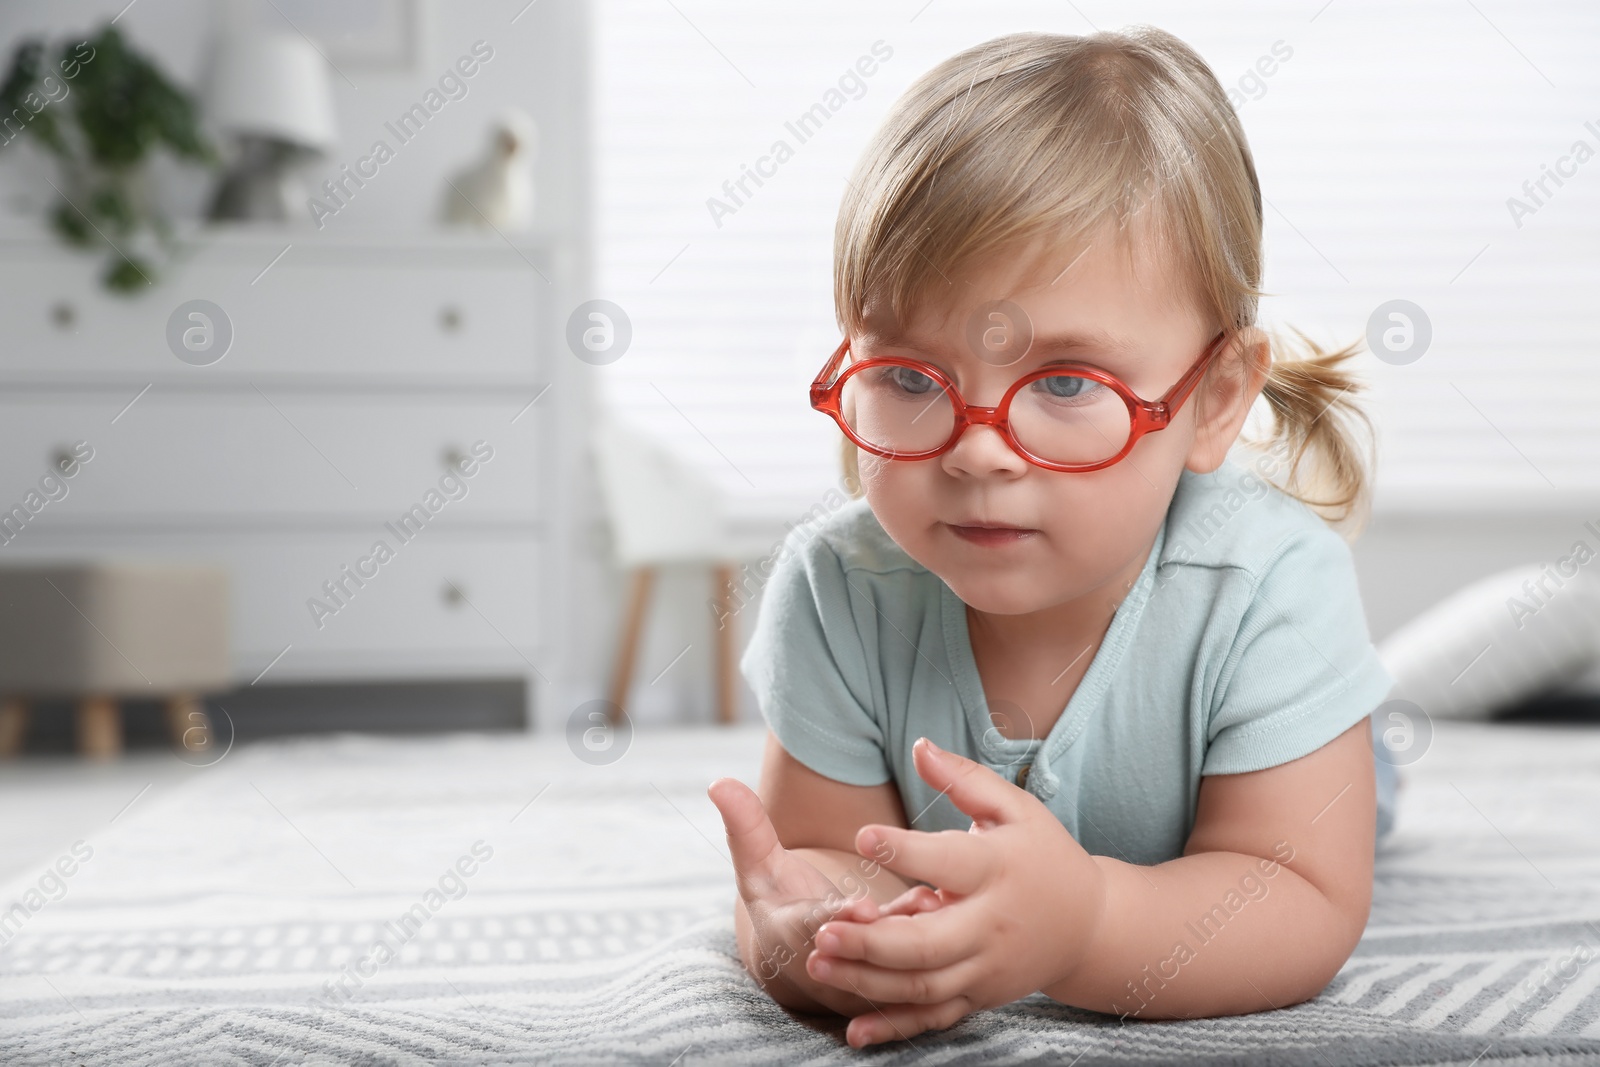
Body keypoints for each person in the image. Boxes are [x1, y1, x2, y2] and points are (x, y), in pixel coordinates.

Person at [707, 26, 1396, 1049]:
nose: (979, 452)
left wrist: (1087, 929)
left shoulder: (1269, 582)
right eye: (905, 376)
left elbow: (1298, 895)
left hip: (1276, 748)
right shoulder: (833, 588)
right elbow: (814, 855)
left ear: (1210, 400)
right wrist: (822, 933)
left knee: (1356, 791)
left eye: (1067, 383)